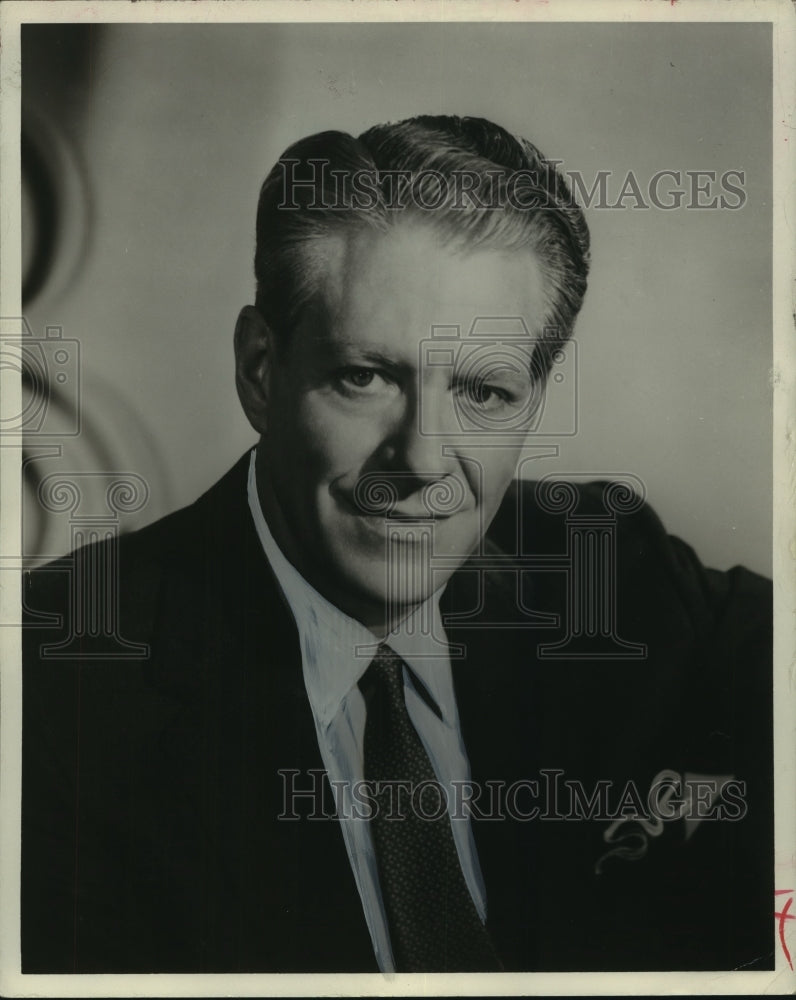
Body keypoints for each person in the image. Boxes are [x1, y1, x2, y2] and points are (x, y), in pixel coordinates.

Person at [21, 115, 773, 974]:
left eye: (485, 392)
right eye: (365, 377)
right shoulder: (53, 688)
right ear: (261, 370)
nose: (421, 458)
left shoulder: (601, 566)